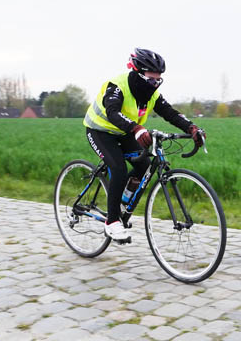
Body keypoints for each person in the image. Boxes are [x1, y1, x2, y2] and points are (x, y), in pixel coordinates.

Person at [83, 48, 205, 242]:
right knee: (118, 168)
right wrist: (137, 128)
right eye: (151, 79)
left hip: (124, 131)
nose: (154, 84)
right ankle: (111, 222)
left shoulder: (152, 94)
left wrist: (191, 128)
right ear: (137, 73)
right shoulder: (118, 86)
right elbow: (113, 112)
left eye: (158, 80)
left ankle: (121, 200)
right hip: (100, 130)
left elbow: (170, 113)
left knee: (144, 165)